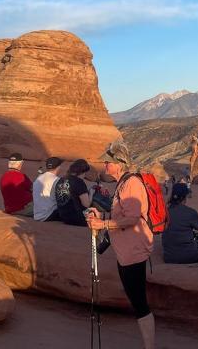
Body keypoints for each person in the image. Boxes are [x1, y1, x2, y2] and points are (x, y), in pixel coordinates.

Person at [86, 139, 155, 349]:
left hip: (134, 251)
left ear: (120, 163)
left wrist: (103, 223)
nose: (105, 165)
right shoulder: (122, 183)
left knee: (140, 304)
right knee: (137, 301)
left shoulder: (131, 183)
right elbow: (123, 214)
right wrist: (102, 214)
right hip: (125, 252)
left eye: (108, 162)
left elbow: (133, 218)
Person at [162, 182, 198, 263]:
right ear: (184, 197)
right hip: (189, 256)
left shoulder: (165, 212)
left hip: (169, 257)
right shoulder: (190, 212)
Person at [55, 159, 92, 226]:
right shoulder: (79, 182)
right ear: (82, 172)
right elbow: (86, 204)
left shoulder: (61, 180)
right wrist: (92, 192)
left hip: (63, 216)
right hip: (78, 218)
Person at [33, 157, 65, 221]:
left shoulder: (38, 179)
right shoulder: (57, 180)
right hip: (49, 215)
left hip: (37, 215)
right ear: (58, 167)